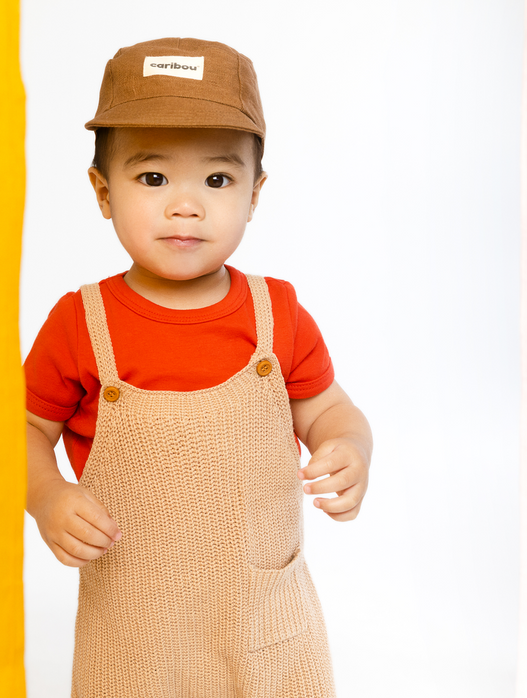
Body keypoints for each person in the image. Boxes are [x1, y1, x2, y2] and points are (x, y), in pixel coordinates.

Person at [24, 37, 372, 698]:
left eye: (217, 179)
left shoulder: (279, 314)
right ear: (102, 191)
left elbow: (330, 409)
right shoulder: (80, 323)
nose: (186, 205)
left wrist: (348, 445)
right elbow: (20, 430)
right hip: (135, 641)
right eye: (152, 178)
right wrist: (46, 496)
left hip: (264, 629)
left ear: (254, 193)